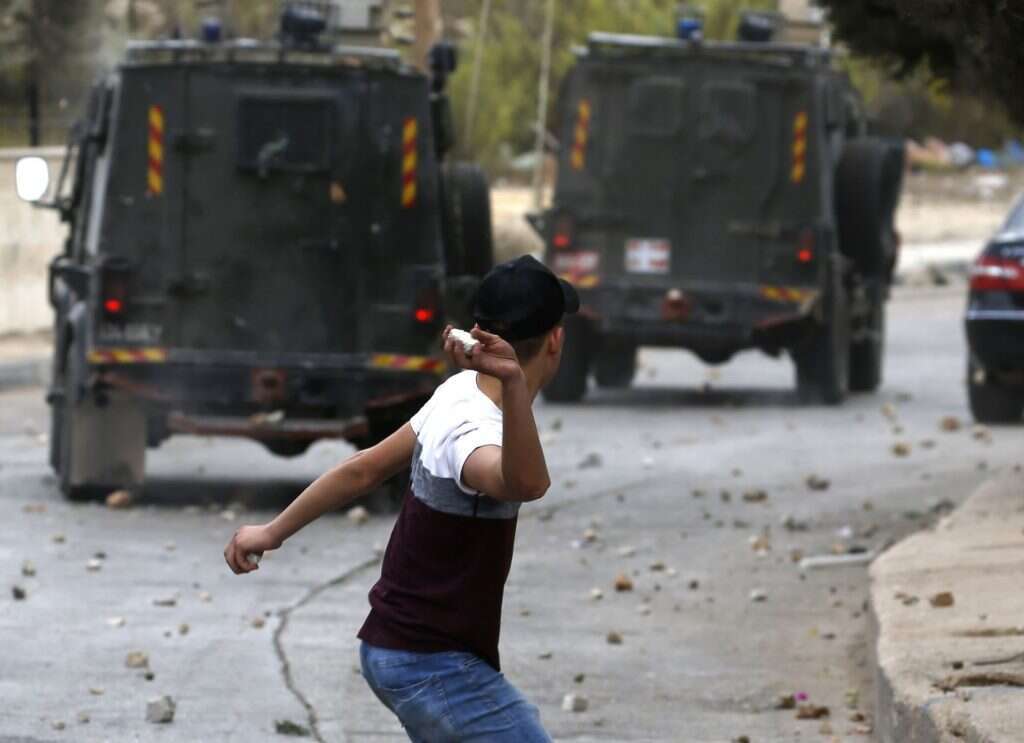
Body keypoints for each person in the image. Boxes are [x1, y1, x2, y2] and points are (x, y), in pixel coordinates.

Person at [224, 255, 580, 741]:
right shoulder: (474, 431)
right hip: (428, 661)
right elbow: (526, 484)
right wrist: (515, 380)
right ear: (556, 340)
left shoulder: (459, 392)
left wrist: (272, 531)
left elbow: (364, 468)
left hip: (400, 648)